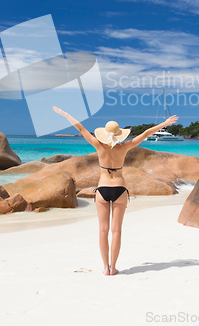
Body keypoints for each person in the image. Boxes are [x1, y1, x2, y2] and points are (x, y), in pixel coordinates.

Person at [52, 106, 178, 276]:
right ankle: (113, 267)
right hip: (119, 189)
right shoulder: (124, 147)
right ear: (119, 134)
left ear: (104, 134)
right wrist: (164, 123)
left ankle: (105, 267)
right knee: (116, 230)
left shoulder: (98, 145)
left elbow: (81, 128)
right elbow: (146, 134)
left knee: (103, 230)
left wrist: (65, 113)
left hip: (102, 189)